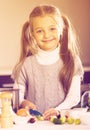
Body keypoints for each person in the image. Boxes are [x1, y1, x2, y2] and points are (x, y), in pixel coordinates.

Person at [12, 4, 84, 120]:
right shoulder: (25, 64)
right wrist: (24, 102)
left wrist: (58, 110)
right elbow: (17, 96)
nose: (46, 35)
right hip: (34, 124)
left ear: (61, 29)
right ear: (32, 34)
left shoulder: (72, 61)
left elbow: (74, 96)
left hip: (61, 123)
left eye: (52, 28)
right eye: (39, 31)